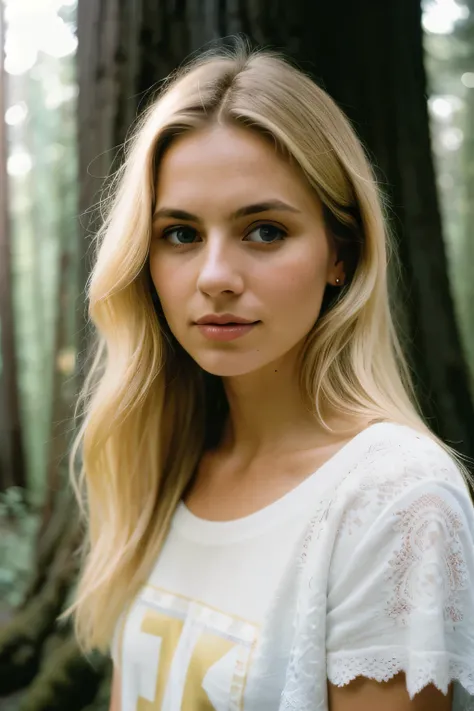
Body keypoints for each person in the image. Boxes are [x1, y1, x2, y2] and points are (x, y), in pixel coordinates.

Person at [62, 40, 474, 711]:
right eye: (180, 234)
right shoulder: (166, 458)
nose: (216, 277)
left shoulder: (394, 496)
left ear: (340, 253)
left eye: (263, 231)